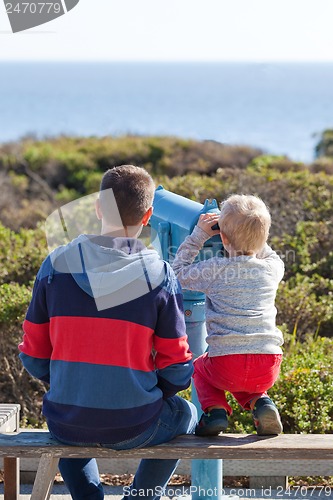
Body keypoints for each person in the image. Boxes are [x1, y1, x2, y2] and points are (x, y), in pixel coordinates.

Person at [19, 164, 197, 500]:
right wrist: (142, 391)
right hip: (137, 424)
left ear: (99, 207)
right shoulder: (159, 275)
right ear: (148, 217)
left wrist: (72, 379)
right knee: (186, 413)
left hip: (66, 421)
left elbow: (33, 355)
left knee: (72, 414)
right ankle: (141, 497)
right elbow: (177, 366)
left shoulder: (55, 265)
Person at [172, 194, 284, 437]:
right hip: (268, 364)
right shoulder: (272, 269)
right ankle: (261, 403)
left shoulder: (215, 268)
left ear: (222, 237)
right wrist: (252, 235)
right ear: (264, 237)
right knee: (247, 380)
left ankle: (215, 411)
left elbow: (177, 273)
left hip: (226, 363)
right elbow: (268, 252)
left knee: (201, 367)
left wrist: (198, 236)